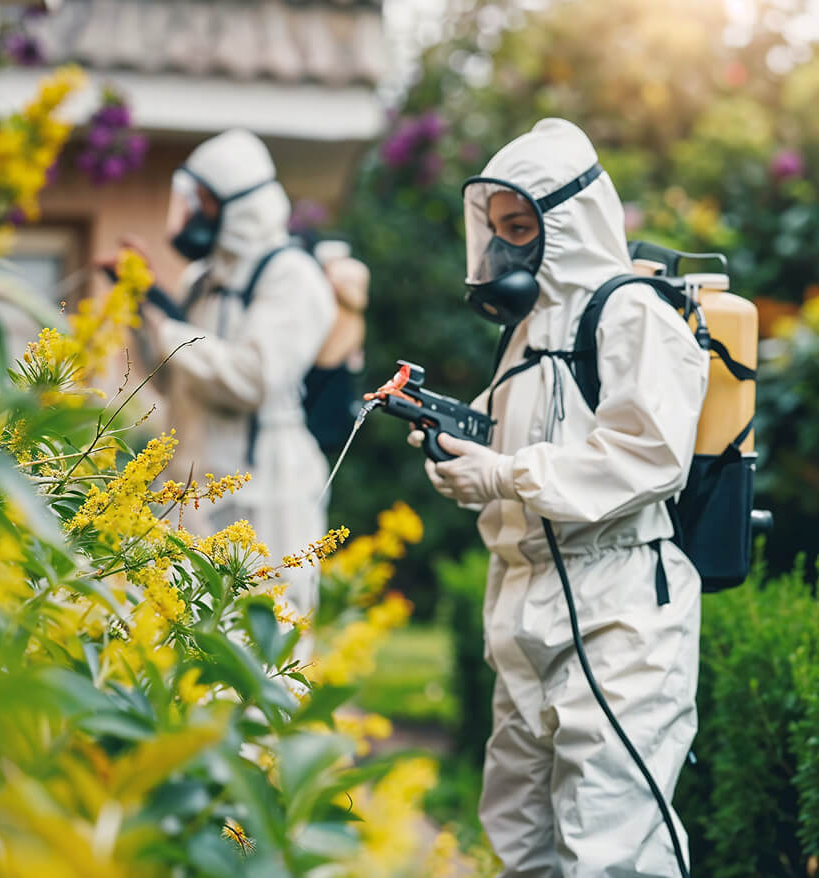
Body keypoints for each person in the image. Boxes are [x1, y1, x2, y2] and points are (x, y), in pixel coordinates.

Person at [409, 118, 709, 876]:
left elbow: (647, 455)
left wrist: (503, 474)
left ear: (567, 221)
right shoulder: (530, 330)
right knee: (520, 836)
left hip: (617, 607)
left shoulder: (634, 312)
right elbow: (511, 441)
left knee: (612, 843)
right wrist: (458, 454)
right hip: (524, 600)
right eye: (499, 230)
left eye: (524, 227)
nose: (510, 248)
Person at [137, 129, 335, 616]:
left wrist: (169, 329)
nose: (192, 216)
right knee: (183, 634)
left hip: (268, 492)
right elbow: (169, 380)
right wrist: (137, 308)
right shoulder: (200, 281)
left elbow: (254, 378)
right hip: (192, 484)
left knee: (267, 634)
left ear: (240, 207)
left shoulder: (290, 276)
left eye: (204, 202)